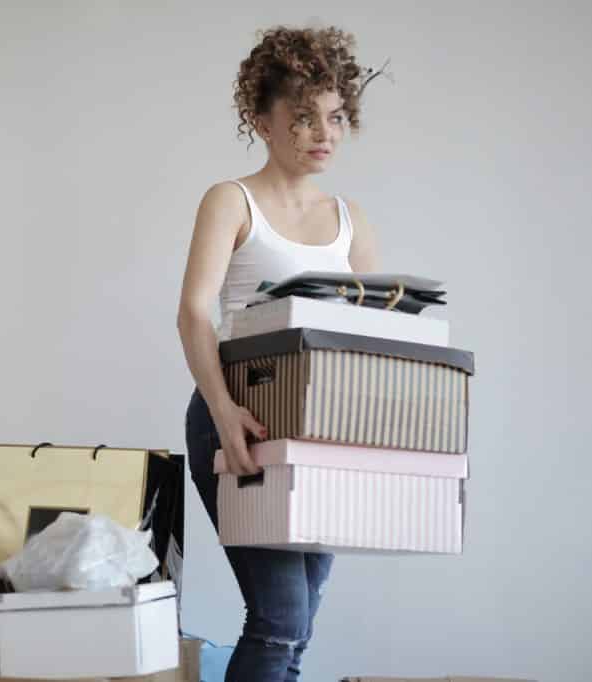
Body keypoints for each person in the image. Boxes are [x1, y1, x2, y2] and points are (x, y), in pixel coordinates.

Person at [176, 25, 381, 681]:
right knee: (280, 618)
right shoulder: (231, 200)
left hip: (321, 430)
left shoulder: (350, 219)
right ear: (260, 122)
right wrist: (224, 411)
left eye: (335, 116)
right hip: (240, 416)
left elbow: (370, 338)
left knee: (299, 624)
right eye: (302, 118)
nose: (323, 133)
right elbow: (192, 314)